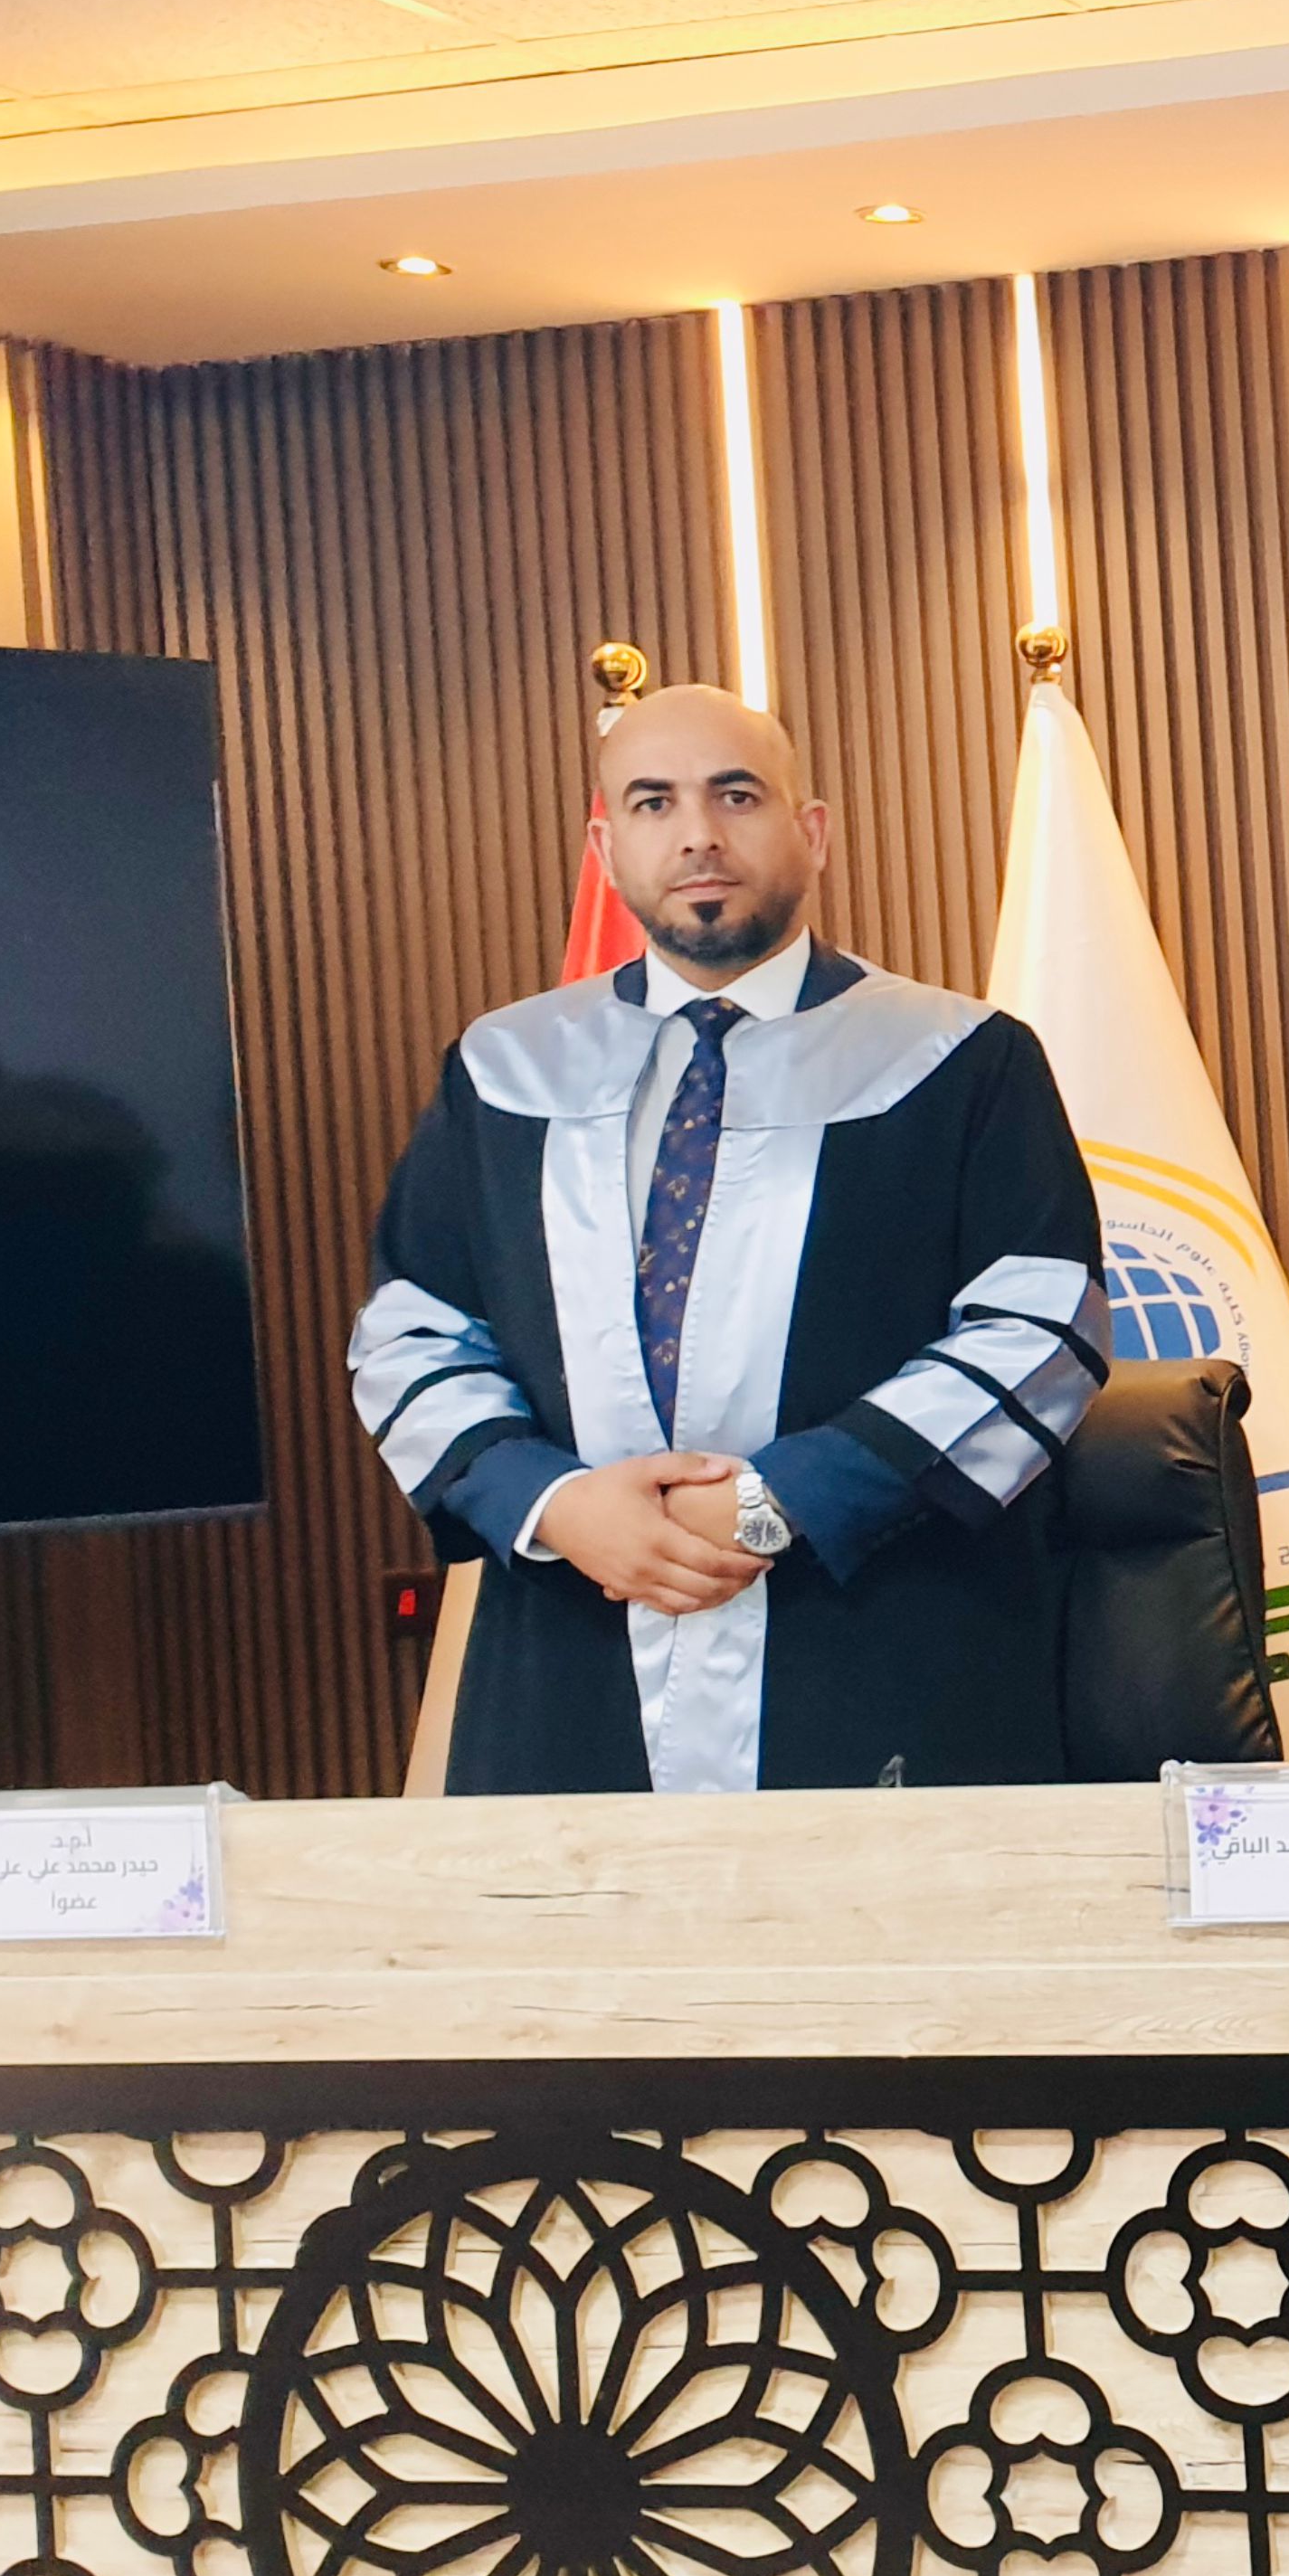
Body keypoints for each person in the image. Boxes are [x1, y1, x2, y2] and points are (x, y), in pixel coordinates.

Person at [350, 683, 1104, 1794]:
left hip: (874, 1640)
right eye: (653, 803)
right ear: (608, 849)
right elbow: (411, 1332)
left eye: (736, 795)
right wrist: (554, 1504)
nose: (697, 834)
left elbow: (1039, 1330)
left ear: (813, 832)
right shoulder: (504, 1070)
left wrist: (777, 1500)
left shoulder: (961, 1060)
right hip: (576, 1639)